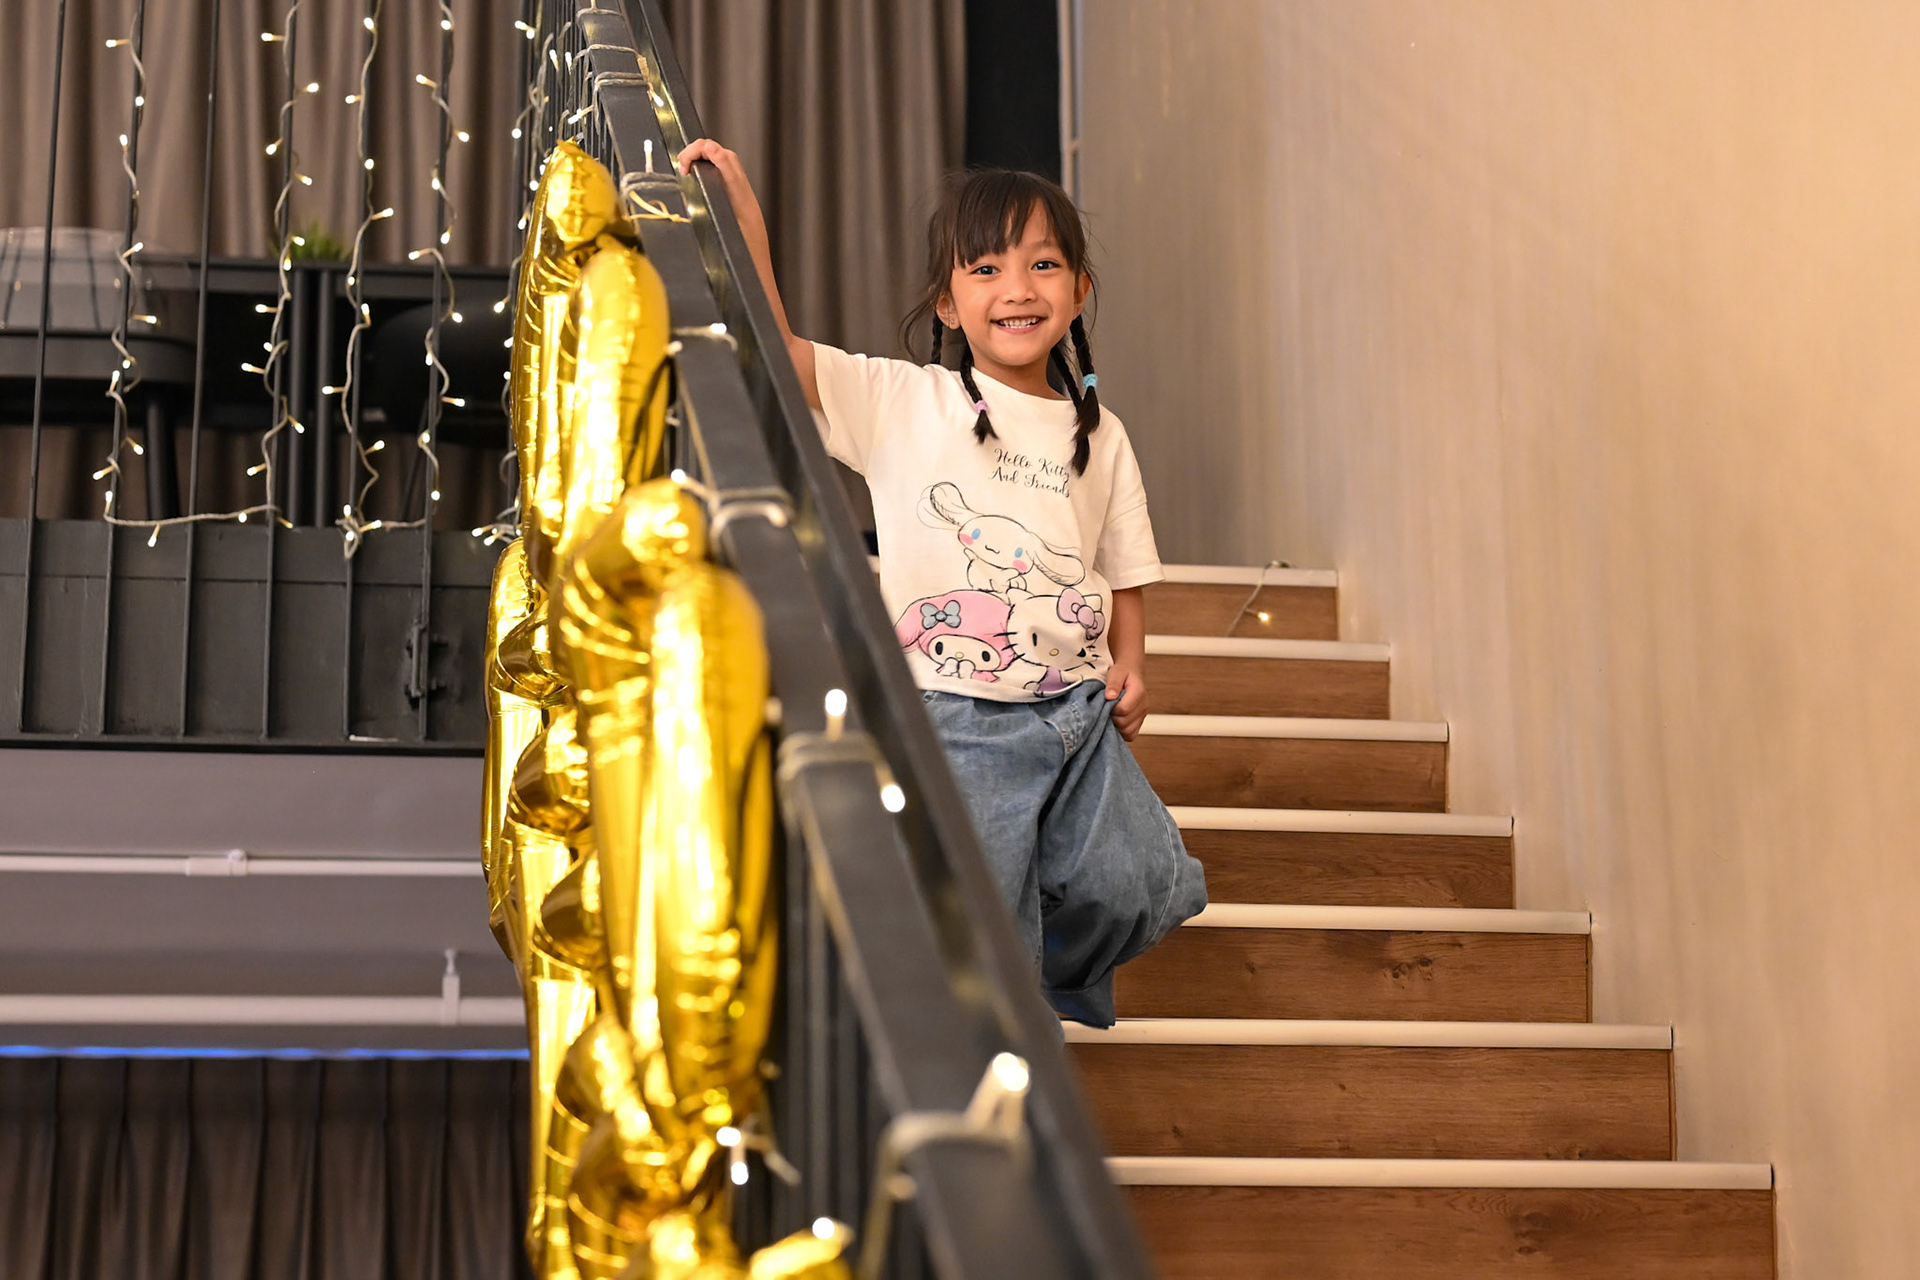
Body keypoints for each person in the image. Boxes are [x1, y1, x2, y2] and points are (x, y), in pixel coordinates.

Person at [675, 140, 1207, 1027]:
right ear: (948, 305)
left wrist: (1133, 664)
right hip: (954, 716)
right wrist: (744, 218)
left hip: (1077, 713)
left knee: (1139, 880)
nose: (1018, 288)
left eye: (1044, 265)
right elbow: (778, 349)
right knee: (986, 926)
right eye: (986, 268)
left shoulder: (1101, 433)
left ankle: (1045, 972)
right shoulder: (904, 401)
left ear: (1079, 290)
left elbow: (1124, 567)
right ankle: (1014, 1037)